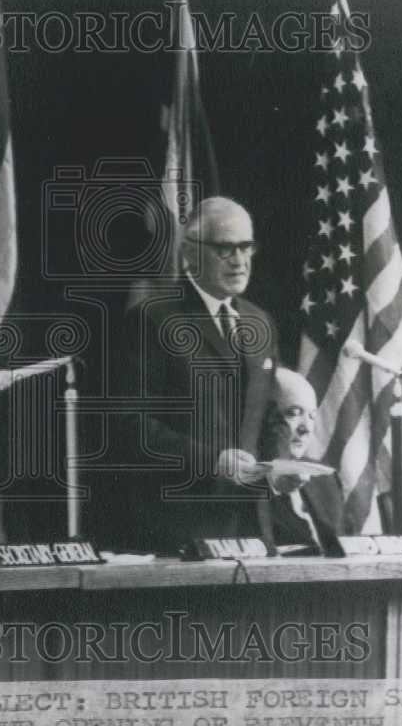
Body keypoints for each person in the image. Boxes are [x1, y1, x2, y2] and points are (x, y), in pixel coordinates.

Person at [110, 197, 279, 553]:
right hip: (178, 530)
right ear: (190, 253)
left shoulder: (260, 321)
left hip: (252, 529)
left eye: (246, 246)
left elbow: (269, 417)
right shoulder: (152, 320)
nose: (240, 260)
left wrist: (279, 469)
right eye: (224, 249)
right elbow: (129, 426)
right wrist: (212, 461)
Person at [233, 368, 343, 553]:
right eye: (293, 413)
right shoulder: (239, 482)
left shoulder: (325, 480)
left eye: (312, 416)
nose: (306, 428)